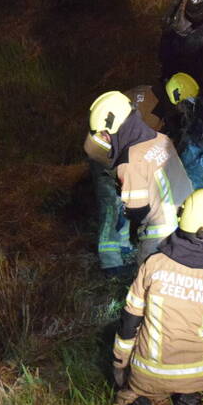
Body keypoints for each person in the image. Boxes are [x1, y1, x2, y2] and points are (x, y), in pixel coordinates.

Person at [106, 187, 203, 405]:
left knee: (127, 399)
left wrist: (120, 363)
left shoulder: (153, 265)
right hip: (199, 374)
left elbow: (129, 321)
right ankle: (191, 395)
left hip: (147, 374)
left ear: (182, 218)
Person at [88, 90, 194, 267]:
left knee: (147, 282)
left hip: (161, 237)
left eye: (104, 134)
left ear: (113, 127)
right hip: (187, 224)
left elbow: (137, 211)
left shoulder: (130, 161)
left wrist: (124, 194)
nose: (105, 139)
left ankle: (113, 263)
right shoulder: (162, 138)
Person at [83, 85, 167, 277]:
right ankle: (110, 263)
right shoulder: (151, 105)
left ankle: (123, 246)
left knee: (125, 200)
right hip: (105, 159)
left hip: (119, 156)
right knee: (111, 207)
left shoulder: (150, 99)